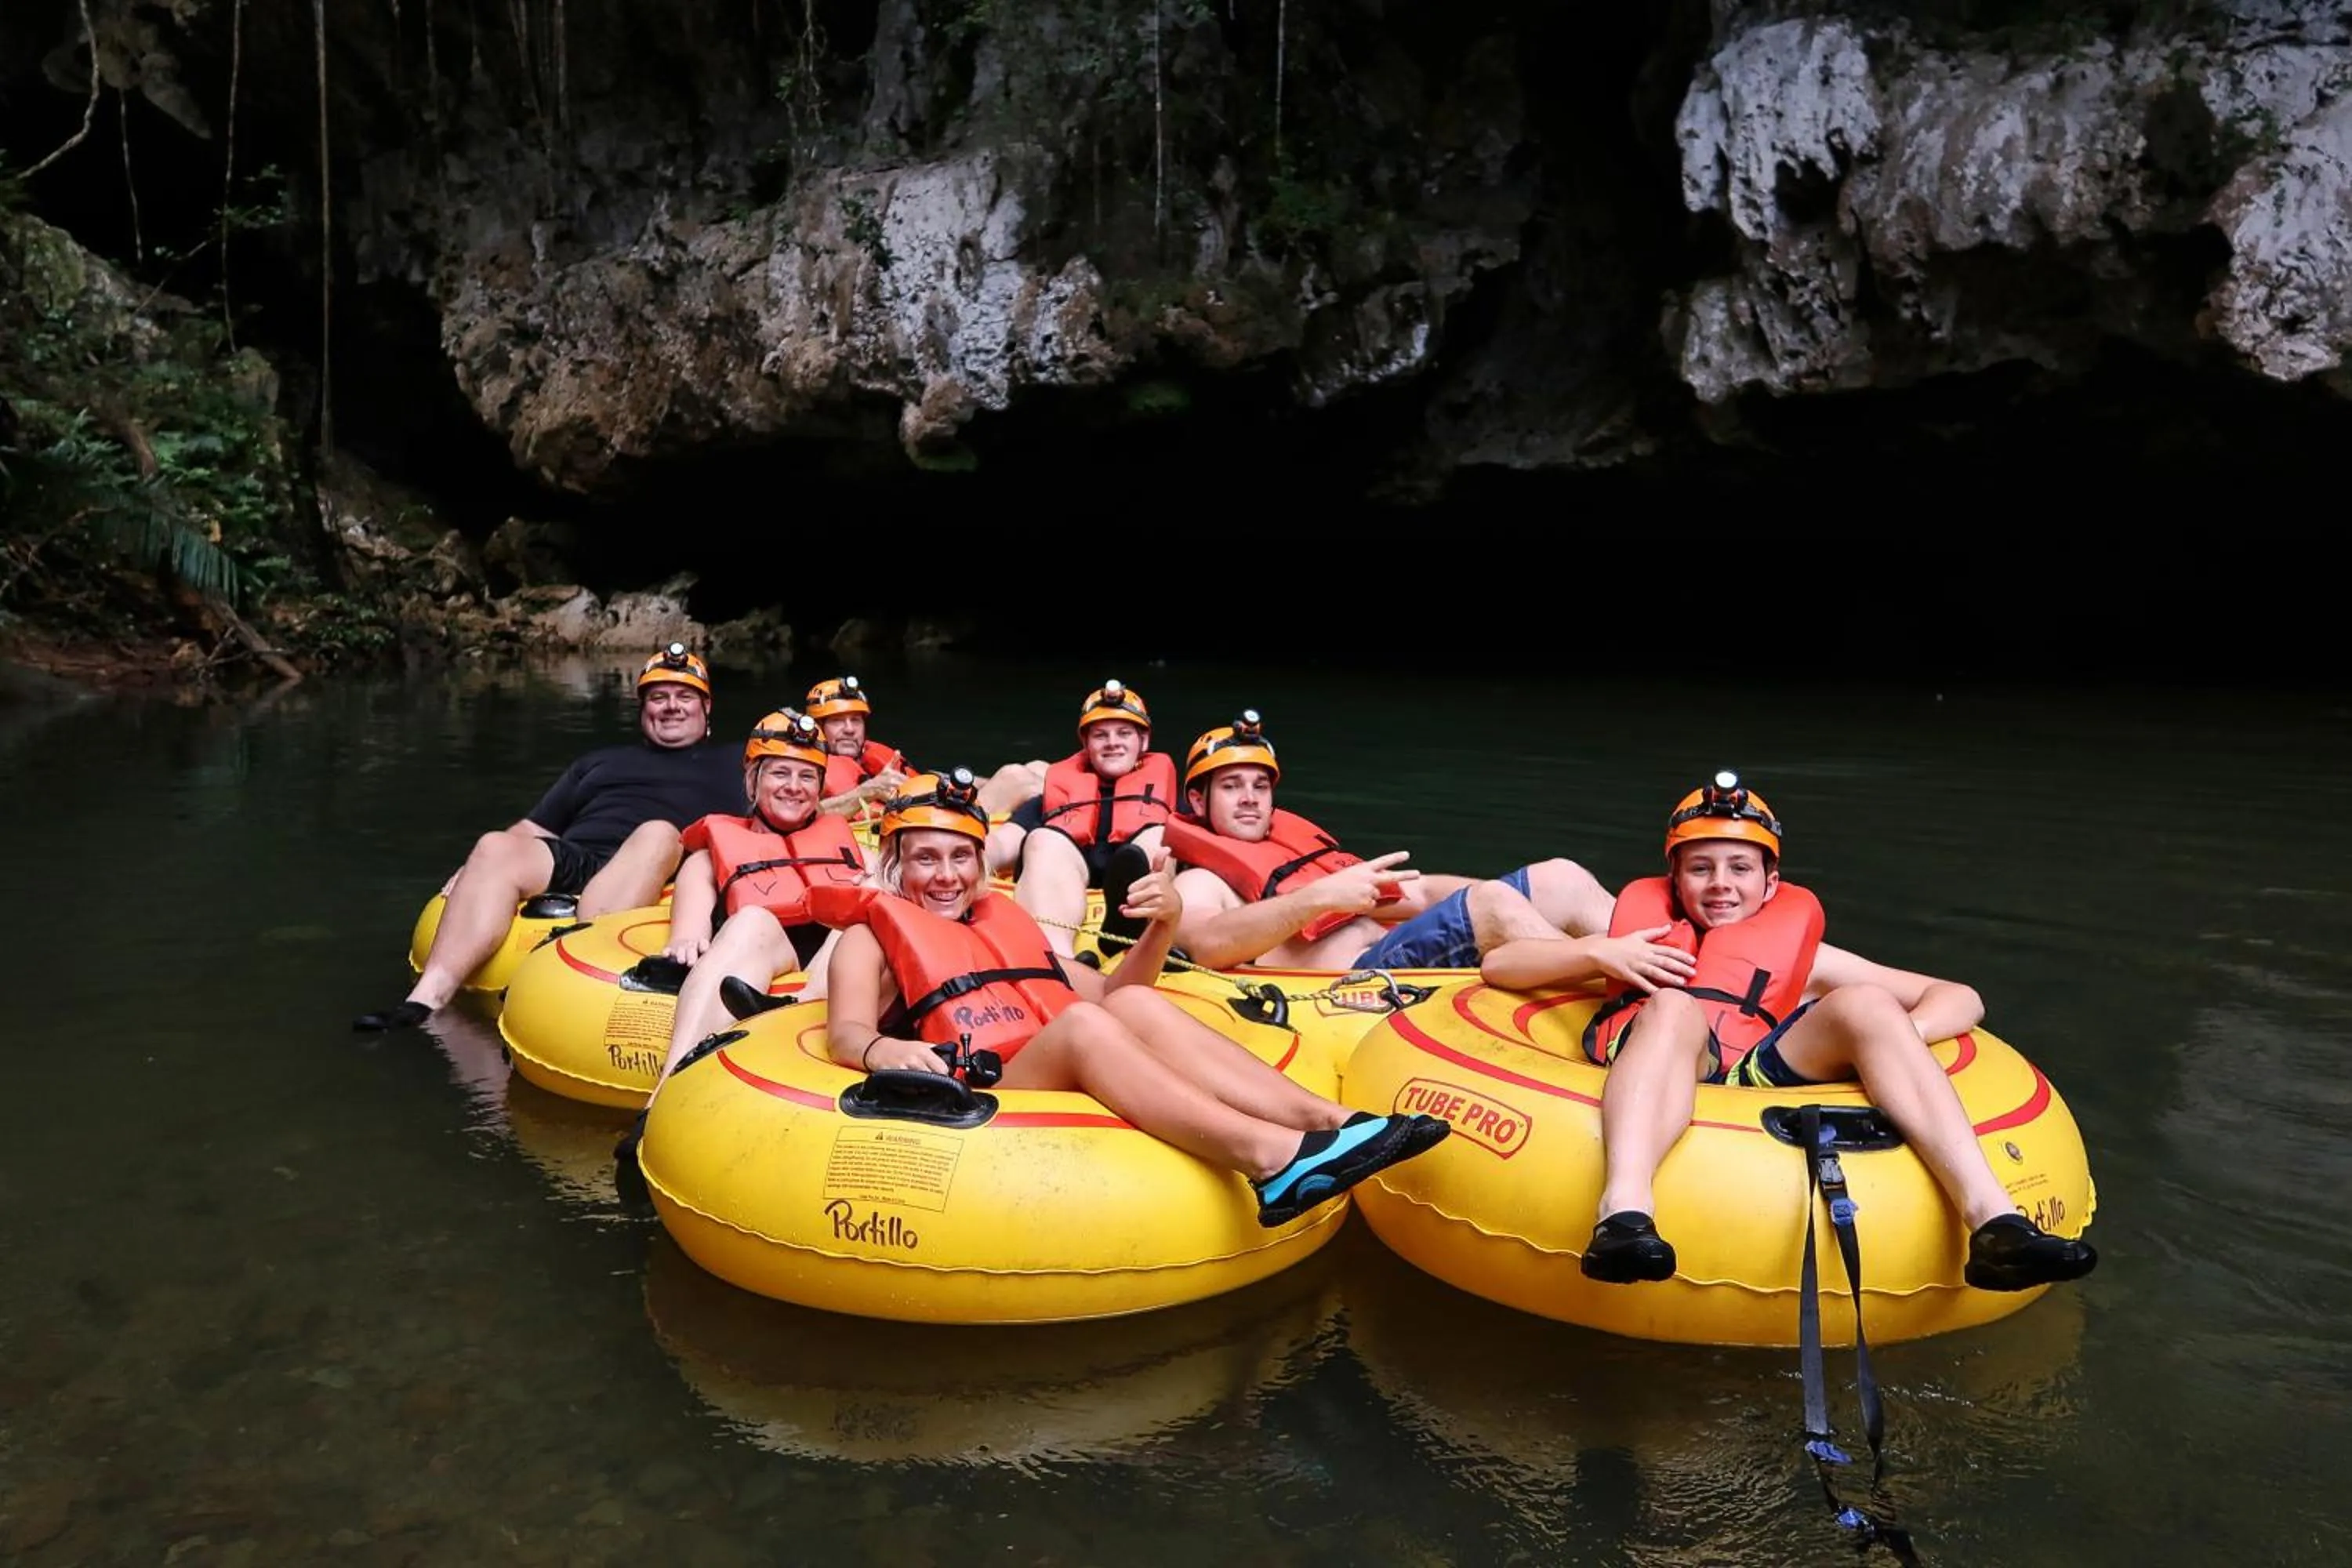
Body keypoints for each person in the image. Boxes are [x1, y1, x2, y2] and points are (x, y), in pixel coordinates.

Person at [1478, 771, 2100, 1293]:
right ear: (1674, 879)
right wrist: (1599, 954)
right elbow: (1500, 965)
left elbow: (1963, 997)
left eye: (1740, 868)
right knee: (1672, 1006)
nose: (1721, 884)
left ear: (1770, 882)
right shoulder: (1636, 937)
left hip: (1757, 1065)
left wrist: (1897, 1036)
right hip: (1666, 1047)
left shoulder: (1807, 957)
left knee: (1868, 1003)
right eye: (1700, 868)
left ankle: (1996, 1225)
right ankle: (1623, 1216)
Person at [815, 768, 1454, 1226]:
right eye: (926, 859)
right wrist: (883, 1050)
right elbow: (846, 1033)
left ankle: (1332, 1123)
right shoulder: (870, 938)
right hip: (985, 1083)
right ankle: (1271, 1160)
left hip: (1042, 1055)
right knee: (1083, 1026)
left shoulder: (999, 924)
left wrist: (1163, 925)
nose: (946, 876)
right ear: (896, 863)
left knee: (1130, 1007)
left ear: (981, 865)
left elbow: (1118, 992)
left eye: (961, 857)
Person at [355, 644, 744, 1030]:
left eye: (684, 697)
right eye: (659, 698)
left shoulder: (739, 763)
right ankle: (425, 1000)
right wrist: (476, 867)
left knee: (657, 832)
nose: (671, 706)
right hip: (579, 856)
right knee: (493, 844)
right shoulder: (598, 762)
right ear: (644, 709)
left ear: (706, 707)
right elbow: (532, 829)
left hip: (655, 862)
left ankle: (563, 962)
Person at [1164, 712, 1613, 972]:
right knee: (1493, 904)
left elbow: (1422, 892)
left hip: (1398, 944)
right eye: (1231, 787)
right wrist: (1317, 899)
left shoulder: (1295, 853)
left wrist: (1524, 900)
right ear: (1198, 800)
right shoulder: (1201, 880)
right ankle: (1611, 986)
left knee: (1561, 877)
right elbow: (1204, 944)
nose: (1249, 798)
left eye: (1260, 786)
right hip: (1360, 981)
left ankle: (1651, 963)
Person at [644, 710, 877, 1092]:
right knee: (752, 919)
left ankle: (800, 1008)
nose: (794, 787)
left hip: (828, 969)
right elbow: (688, 936)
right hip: (763, 951)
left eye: (807, 777)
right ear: (753, 782)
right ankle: (666, 1092)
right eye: (780, 773)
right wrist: (686, 940)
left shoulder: (858, 855)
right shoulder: (708, 858)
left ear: (820, 788)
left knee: (869, 900)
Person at [983, 679, 1177, 956]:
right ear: (1086, 743)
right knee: (1043, 839)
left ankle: (1132, 919)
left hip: (1140, 880)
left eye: (1124, 733)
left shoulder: (1171, 801)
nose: (1112, 743)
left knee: (1162, 838)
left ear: (1143, 740)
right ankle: (1060, 958)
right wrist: (968, 857)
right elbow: (1004, 843)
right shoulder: (1053, 797)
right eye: (1100, 735)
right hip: (1068, 871)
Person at [802, 674, 1044, 819]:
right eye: (837, 722)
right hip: (916, 829)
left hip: (932, 810)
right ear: (818, 727)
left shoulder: (873, 756)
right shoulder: (808, 766)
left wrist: (981, 783)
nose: (849, 729)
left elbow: (920, 781)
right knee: (1015, 777)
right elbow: (805, 815)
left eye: (855, 720)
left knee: (1038, 767)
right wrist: (867, 791)